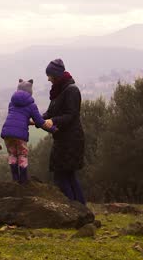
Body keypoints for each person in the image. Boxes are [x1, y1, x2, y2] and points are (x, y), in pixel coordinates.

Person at [42, 58, 86, 205]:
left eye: (50, 75)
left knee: (63, 176)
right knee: (66, 175)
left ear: (57, 75)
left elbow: (71, 115)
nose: (48, 79)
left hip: (72, 140)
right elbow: (50, 112)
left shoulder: (71, 90)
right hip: (62, 139)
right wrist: (36, 119)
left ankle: (74, 208)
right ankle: (79, 207)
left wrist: (53, 121)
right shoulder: (58, 91)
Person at [0, 79, 55, 184]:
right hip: (20, 135)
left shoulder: (12, 103)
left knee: (12, 154)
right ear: (30, 92)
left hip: (7, 132)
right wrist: (52, 129)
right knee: (22, 155)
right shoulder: (31, 105)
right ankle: (23, 180)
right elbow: (40, 121)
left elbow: (18, 119)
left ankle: (15, 179)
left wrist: (31, 122)